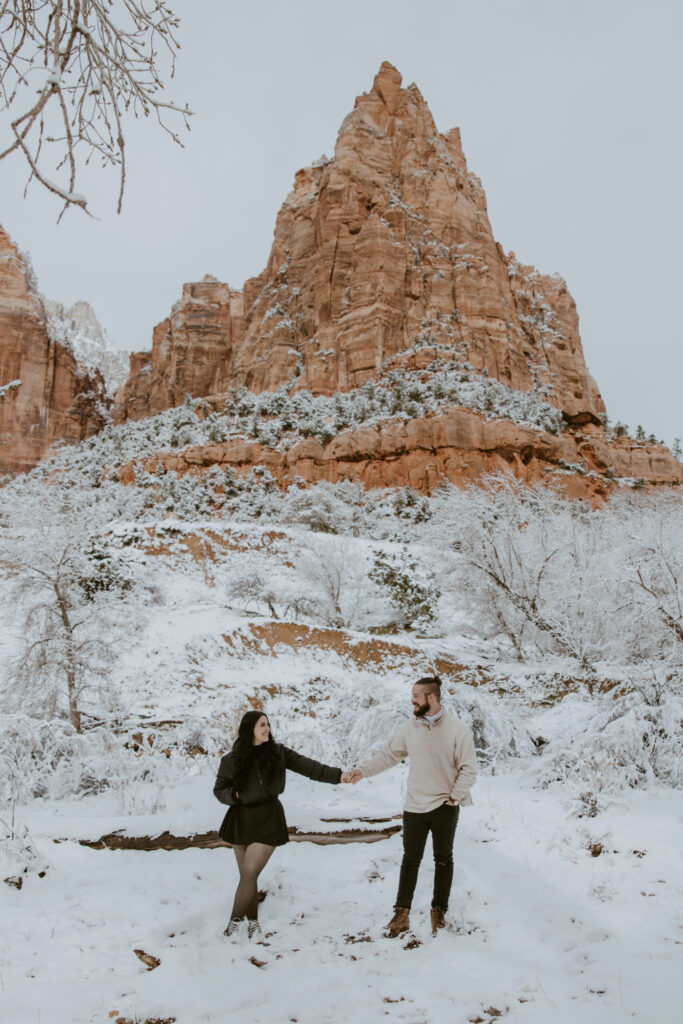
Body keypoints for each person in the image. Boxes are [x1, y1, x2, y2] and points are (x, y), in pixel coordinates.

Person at [348, 676, 477, 937]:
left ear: (432, 697)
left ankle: (438, 911)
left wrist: (455, 796)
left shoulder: (457, 729)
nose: (412, 701)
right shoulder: (411, 728)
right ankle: (401, 913)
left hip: (444, 806)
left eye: (416, 696)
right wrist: (363, 771)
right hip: (415, 806)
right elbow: (389, 755)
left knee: (443, 859)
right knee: (410, 860)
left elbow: (469, 768)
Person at [213, 709, 353, 939]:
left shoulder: (278, 753)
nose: (267, 729)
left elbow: (310, 767)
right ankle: (253, 923)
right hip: (240, 820)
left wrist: (340, 776)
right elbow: (219, 790)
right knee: (248, 877)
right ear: (250, 730)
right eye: (262, 725)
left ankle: (233, 923)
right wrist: (235, 796)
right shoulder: (231, 759)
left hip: (268, 817)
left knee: (249, 873)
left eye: (268, 724)